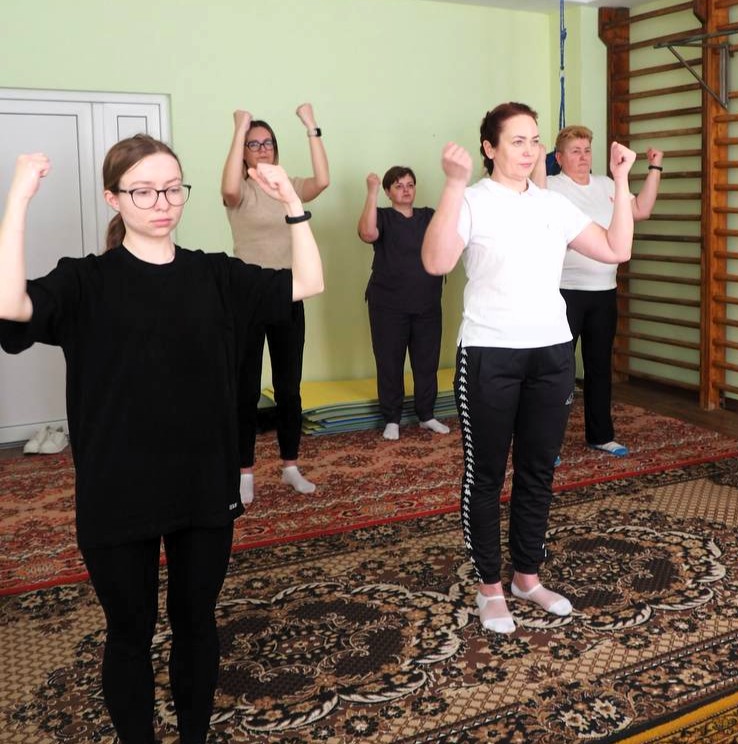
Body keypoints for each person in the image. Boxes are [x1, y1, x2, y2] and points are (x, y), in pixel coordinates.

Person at [0, 135, 324, 742]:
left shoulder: (215, 274)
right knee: (130, 632)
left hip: (202, 483)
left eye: (173, 189)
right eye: (144, 191)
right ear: (114, 199)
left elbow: (306, 282)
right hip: (117, 490)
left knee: (197, 623)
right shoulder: (84, 282)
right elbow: (9, 303)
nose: (161, 203)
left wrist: (292, 203)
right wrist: (17, 198)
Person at [422, 102, 637, 634]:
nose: (528, 149)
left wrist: (622, 181)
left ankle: (526, 577)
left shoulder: (552, 204)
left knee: (538, 470)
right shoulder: (471, 200)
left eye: (534, 140)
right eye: (516, 140)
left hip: (551, 353)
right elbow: (436, 262)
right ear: (490, 147)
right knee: (486, 474)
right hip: (489, 353)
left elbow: (617, 248)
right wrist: (452, 185)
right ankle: (489, 588)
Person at [222, 104, 329, 505]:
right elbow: (228, 186)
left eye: (267, 142)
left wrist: (311, 126)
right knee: (245, 389)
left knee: (288, 388)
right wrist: (239, 128)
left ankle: (290, 467)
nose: (262, 148)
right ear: (244, 152)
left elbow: (323, 180)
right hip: (246, 295)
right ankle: (244, 472)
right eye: (254, 144)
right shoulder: (239, 190)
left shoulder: (289, 186)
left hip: (288, 291)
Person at [544, 125, 663, 457]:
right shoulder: (551, 188)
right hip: (564, 292)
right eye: (575, 151)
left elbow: (641, 210)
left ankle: (600, 434)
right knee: (558, 371)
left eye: (587, 150)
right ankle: (547, 443)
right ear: (559, 158)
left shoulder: (608, 185)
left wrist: (655, 167)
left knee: (599, 366)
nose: (583, 157)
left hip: (604, 292)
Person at [357, 166, 449, 440]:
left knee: (426, 361)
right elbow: (367, 234)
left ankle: (426, 415)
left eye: (410, 184)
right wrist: (371, 193)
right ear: (388, 192)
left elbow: (448, 235)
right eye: (398, 186)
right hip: (388, 304)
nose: (406, 190)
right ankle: (392, 419)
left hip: (427, 303)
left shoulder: (428, 216)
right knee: (389, 361)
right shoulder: (382, 216)